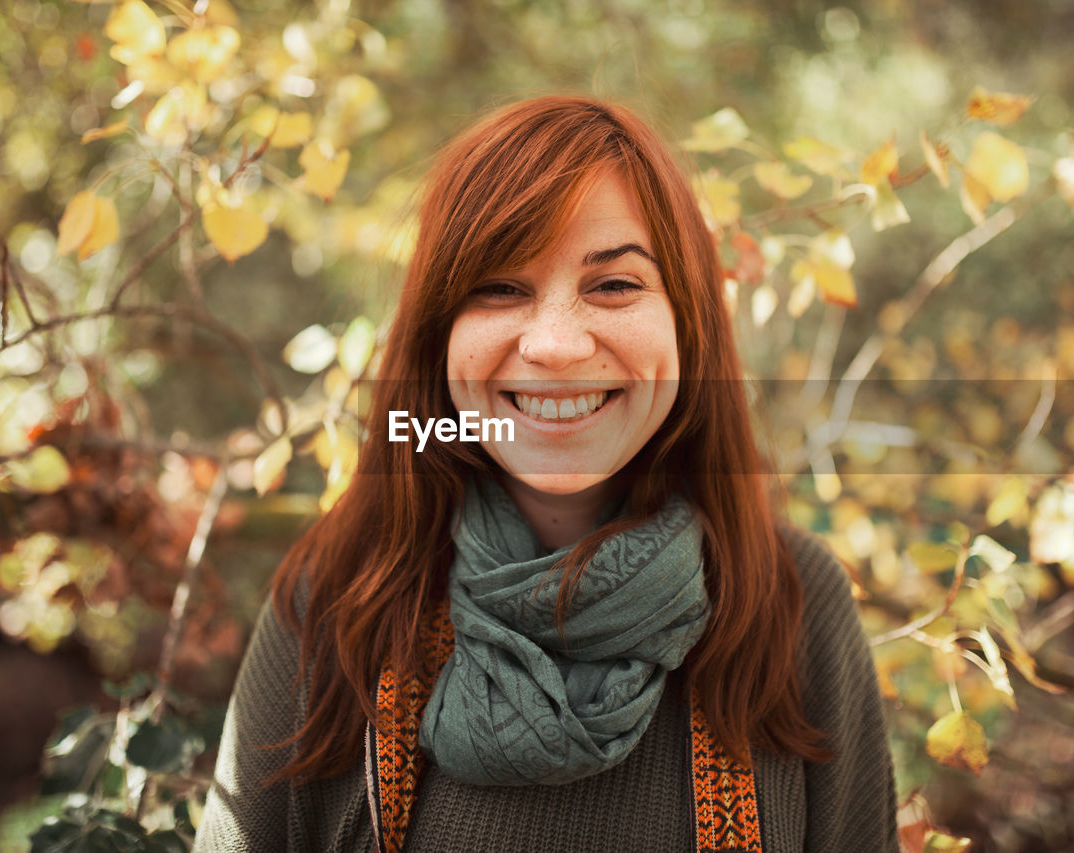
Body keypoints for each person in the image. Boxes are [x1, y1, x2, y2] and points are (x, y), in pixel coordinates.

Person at [193, 96, 898, 852]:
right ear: (439, 334)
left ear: (688, 324)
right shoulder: (338, 600)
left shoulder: (792, 601)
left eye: (615, 285)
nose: (556, 345)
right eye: (500, 287)